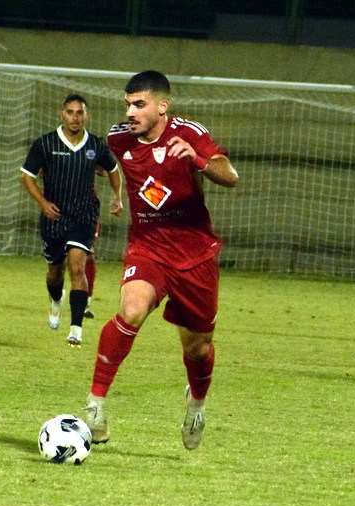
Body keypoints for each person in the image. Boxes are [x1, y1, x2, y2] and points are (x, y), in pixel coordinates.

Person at [83, 70, 239, 450]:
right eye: (128, 104)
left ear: (162, 106)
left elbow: (230, 175)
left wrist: (197, 160)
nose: (130, 112)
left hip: (195, 253)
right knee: (132, 309)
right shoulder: (119, 138)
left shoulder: (189, 133)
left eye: (139, 104)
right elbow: (102, 162)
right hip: (148, 247)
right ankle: (95, 404)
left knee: (198, 348)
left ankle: (196, 404)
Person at [21, 94, 123, 346]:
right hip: (54, 216)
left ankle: (76, 329)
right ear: (61, 114)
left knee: (77, 267)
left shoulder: (96, 145)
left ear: (86, 116)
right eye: (70, 112)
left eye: (79, 113)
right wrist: (43, 203)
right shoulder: (45, 143)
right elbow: (27, 176)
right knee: (55, 273)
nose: (75, 118)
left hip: (84, 215)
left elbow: (113, 170)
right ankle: (56, 300)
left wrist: (117, 197)